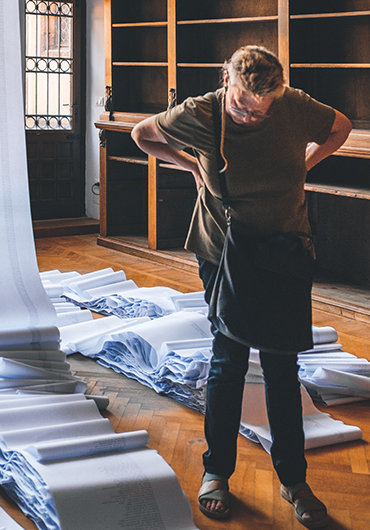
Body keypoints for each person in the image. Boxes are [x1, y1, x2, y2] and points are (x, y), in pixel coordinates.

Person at [131, 46, 352, 529]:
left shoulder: (295, 106)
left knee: (281, 362)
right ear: (226, 79)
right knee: (228, 359)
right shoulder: (201, 112)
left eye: (260, 108)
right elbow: (141, 134)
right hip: (224, 250)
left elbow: (341, 126)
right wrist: (192, 167)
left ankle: (294, 479)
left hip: (286, 248)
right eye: (241, 104)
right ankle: (217, 472)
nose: (249, 114)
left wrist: (307, 162)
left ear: (278, 96)